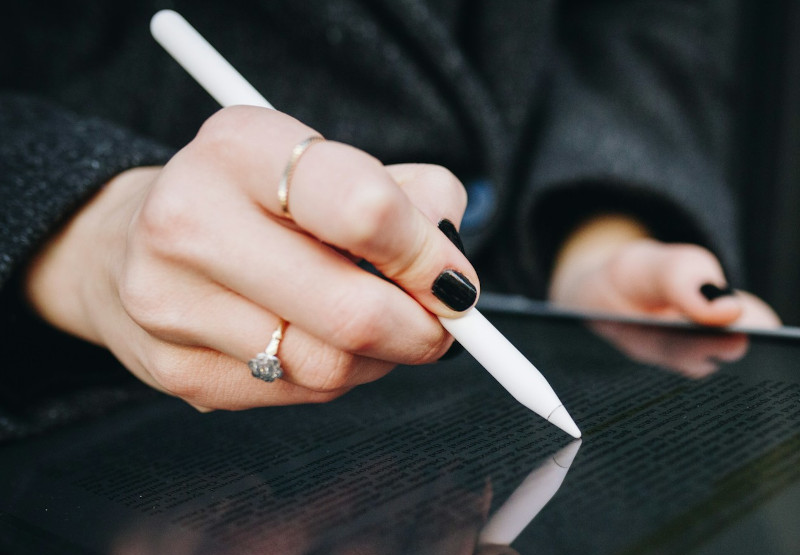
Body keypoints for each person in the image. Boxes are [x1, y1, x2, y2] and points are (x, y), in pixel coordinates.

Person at [0, 0, 780, 439]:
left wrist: (595, 233)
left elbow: (645, 22)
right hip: (111, 473)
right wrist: (87, 229)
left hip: (513, 443)